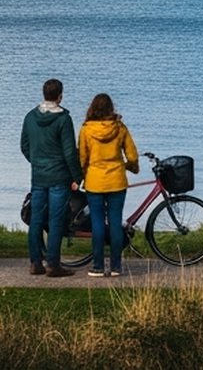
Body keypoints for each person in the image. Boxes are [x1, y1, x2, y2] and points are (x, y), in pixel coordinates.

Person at [19, 78, 81, 277]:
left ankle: (35, 263)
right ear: (60, 96)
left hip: (38, 176)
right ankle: (53, 264)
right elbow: (69, 152)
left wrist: (37, 161)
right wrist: (76, 175)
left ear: (44, 94)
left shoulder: (30, 117)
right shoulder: (63, 119)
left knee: (36, 219)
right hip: (59, 177)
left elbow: (24, 146)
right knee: (56, 221)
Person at [78, 92, 139, 277]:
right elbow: (132, 155)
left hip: (95, 182)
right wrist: (130, 167)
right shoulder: (120, 128)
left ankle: (97, 266)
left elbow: (83, 158)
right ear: (111, 108)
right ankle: (115, 267)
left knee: (97, 223)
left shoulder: (86, 129)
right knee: (115, 223)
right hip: (116, 181)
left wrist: (82, 176)